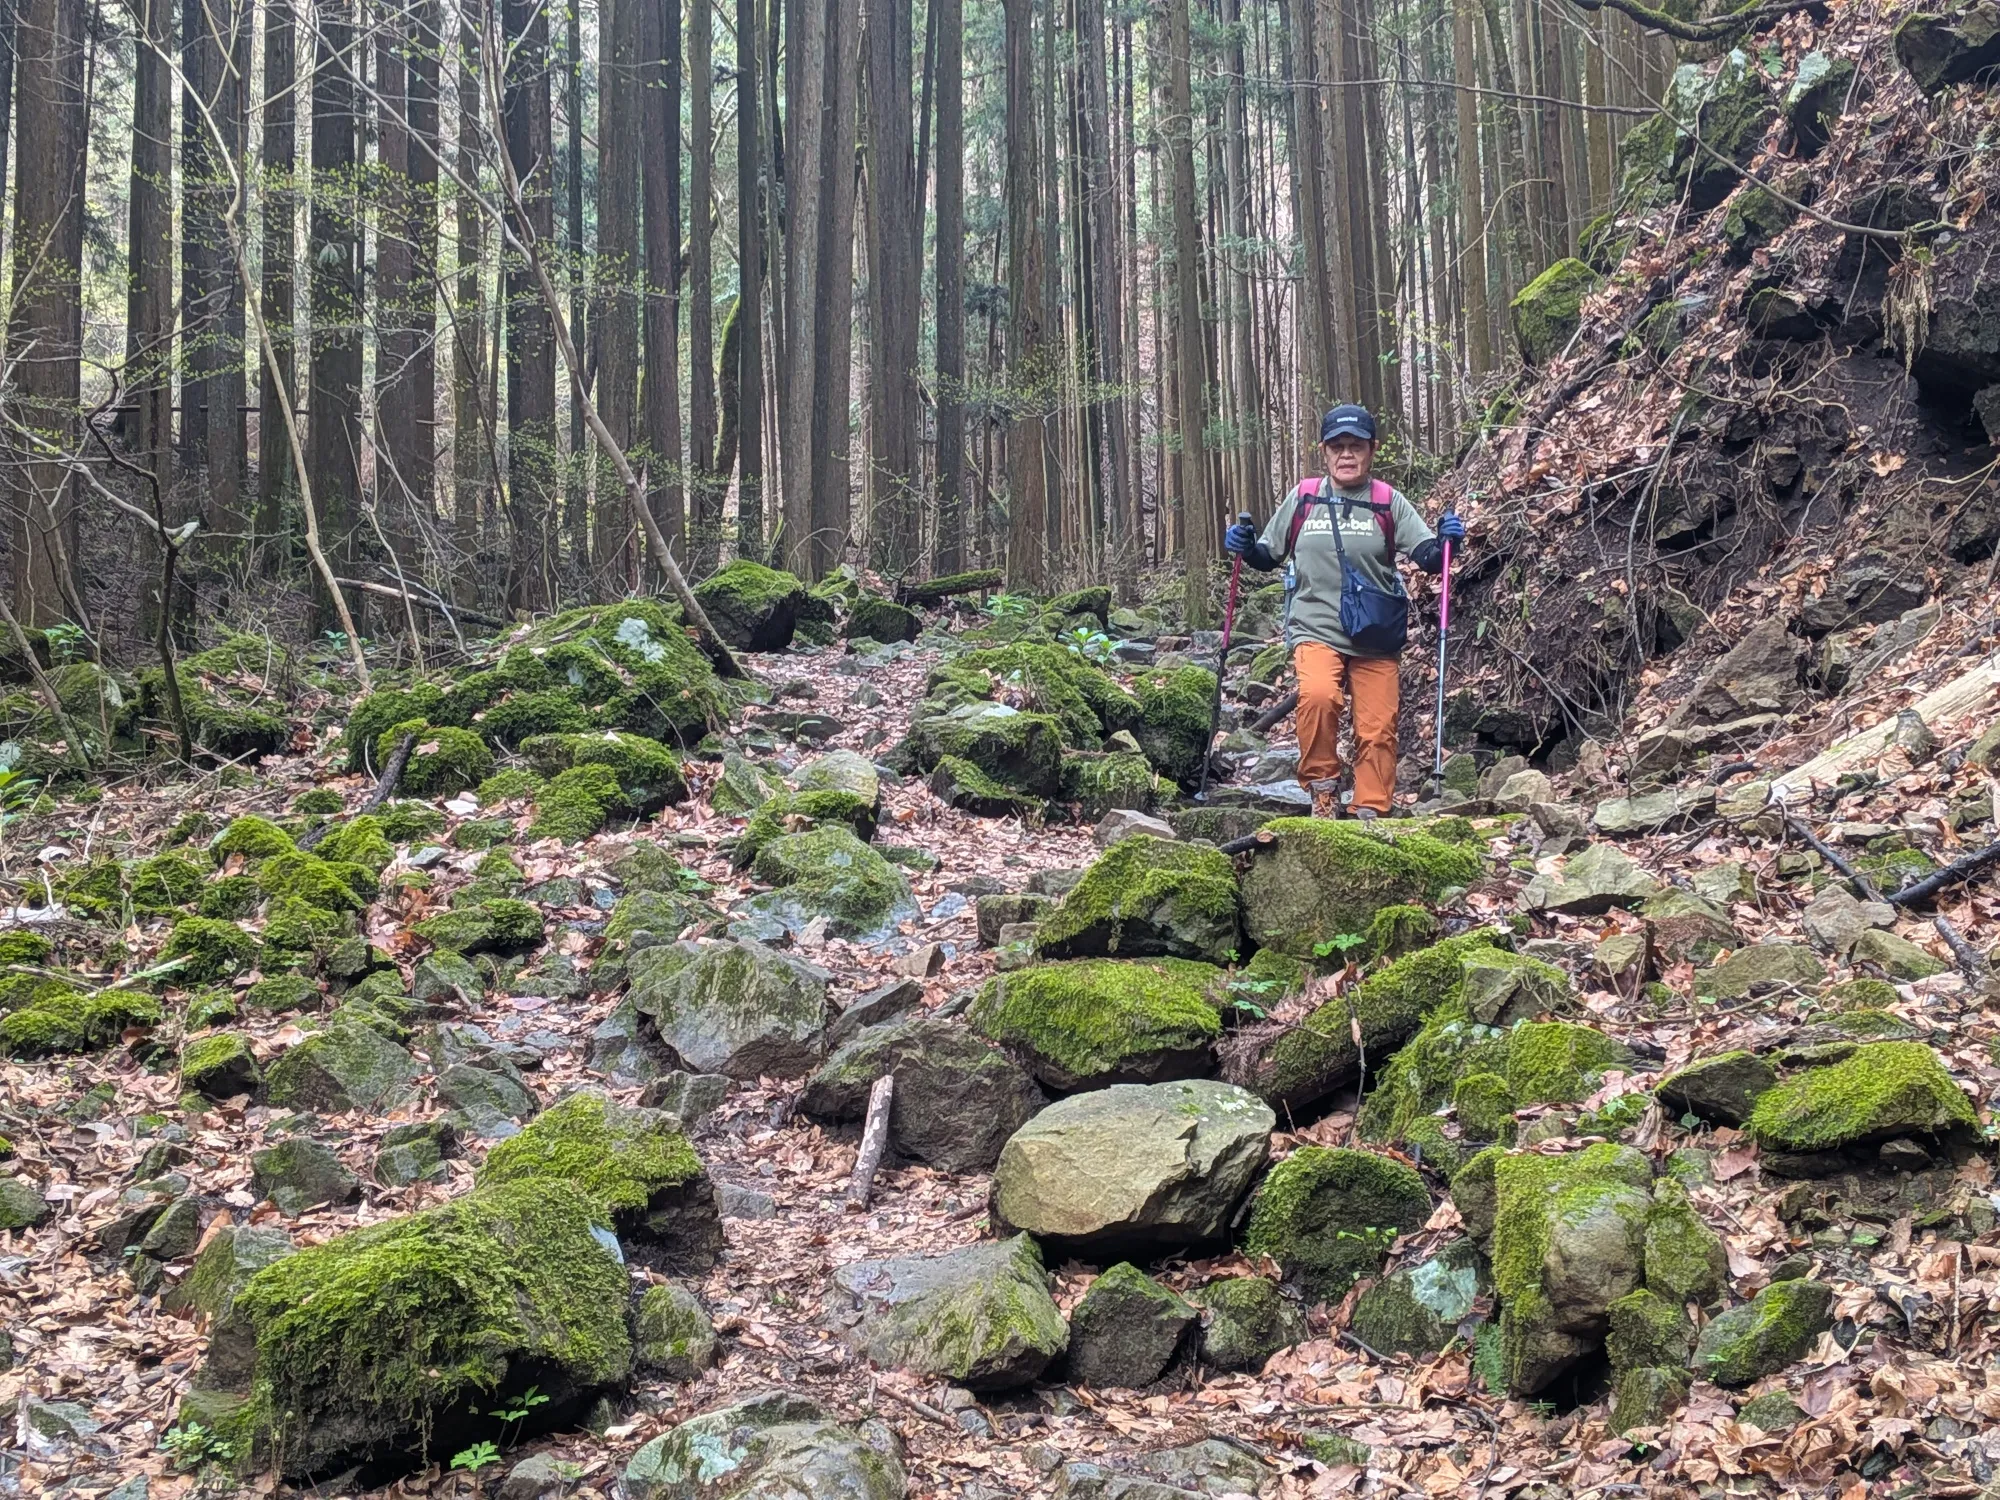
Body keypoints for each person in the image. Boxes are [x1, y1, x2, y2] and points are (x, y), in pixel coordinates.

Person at [1224, 404, 1466, 821]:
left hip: (1374, 632)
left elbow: (1427, 555)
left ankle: (1370, 808)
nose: (1347, 454)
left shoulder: (1388, 501)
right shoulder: (1305, 497)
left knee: (1378, 727)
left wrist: (1447, 542)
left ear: (1372, 450)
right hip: (1315, 625)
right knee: (1318, 696)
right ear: (1324, 451)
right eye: (1338, 446)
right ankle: (1322, 789)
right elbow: (1268, 555)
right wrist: (1245, 546)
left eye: (1356, 446)